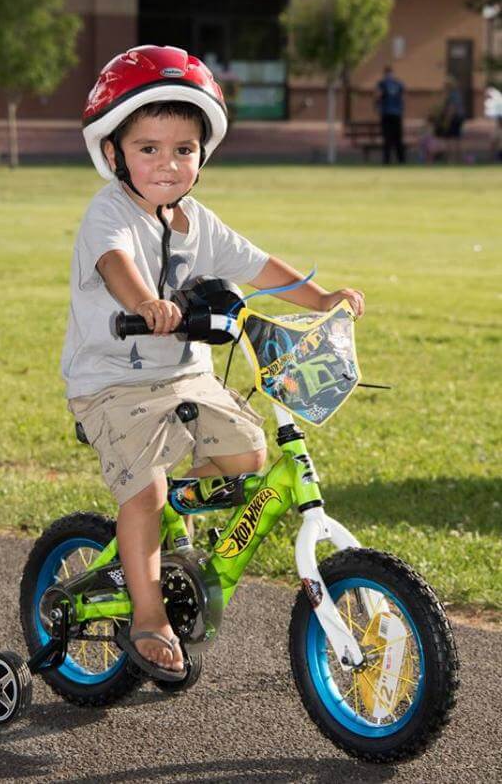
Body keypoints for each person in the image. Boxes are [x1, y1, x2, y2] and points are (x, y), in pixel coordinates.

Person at [62, 45, 365, 682]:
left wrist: (323, 297)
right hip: (113, 383)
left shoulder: (198, 221)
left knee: (249, 455)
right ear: (113, 152)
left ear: (203, 155)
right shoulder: (107, 213)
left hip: (187, 374)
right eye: (149, 149)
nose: (168, 164)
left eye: (183, 149)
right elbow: (116, 262)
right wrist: (147, 303)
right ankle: (148, 613)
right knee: (143, 490)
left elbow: (259, 266)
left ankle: (166, 534)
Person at [376, 66, 405, 164]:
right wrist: (401, 109)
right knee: (398, 138)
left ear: (384, 73)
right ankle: (401, 160)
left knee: (387, 137)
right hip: (397, 114)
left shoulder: (382, 83)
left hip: (386, 113)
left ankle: (386, 160)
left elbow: (378, 96)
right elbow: (403, 98)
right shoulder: (398, 83)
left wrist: (377, 107)